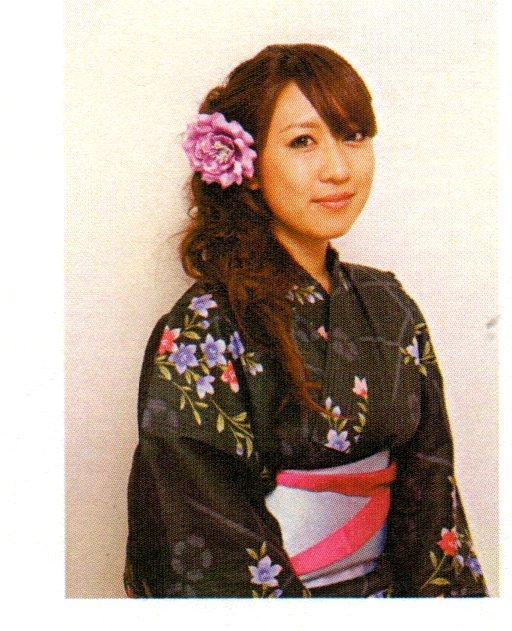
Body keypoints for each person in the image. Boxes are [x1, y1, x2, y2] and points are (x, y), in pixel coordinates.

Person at [124, 43, 487, 598]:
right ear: (247, 169)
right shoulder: (202, 331)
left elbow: (432, 495)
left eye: (354, 136)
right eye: (302, 142)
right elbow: (198, 528)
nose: (338, 169)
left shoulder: (390, 306)